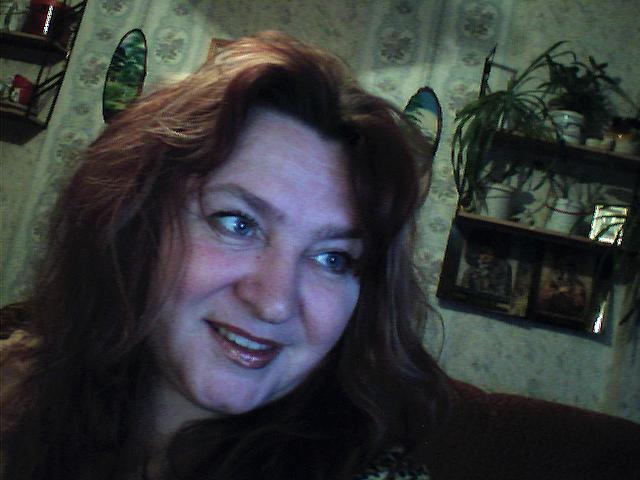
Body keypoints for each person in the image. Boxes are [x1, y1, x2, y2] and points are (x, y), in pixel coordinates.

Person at [1, 32, 639, 480]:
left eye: (334, 258)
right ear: (133, 222)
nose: (276, 301)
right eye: (237, 222)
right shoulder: (20, 394)